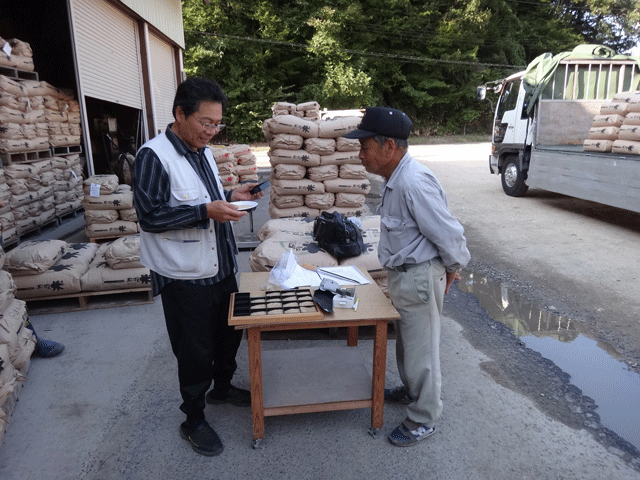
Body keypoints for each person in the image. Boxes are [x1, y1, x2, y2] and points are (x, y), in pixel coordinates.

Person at [132, 77, 263, 456]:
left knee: (228, 336)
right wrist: (206, 210)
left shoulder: (202, 150)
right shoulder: (153, 156)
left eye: (217, 123)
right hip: (185, 274)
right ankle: (193, 418)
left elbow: (202, 196)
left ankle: (222, 389)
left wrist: (229, 197)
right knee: (193, 351)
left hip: (220, 265)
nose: (212, 131)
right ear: (179, 114)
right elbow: (150, 215)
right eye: (206, 122)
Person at [343, 107, 470, 447]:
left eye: (364, 147)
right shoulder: (395, 179)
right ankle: (413, 391)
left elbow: (449, 232)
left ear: (388, 148)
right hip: (404, 277)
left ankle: (423, 419)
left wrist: (452, 269)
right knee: (409, 346)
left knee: (422, 354)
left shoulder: (413, 182)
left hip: (419, 277)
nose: (360, 155)